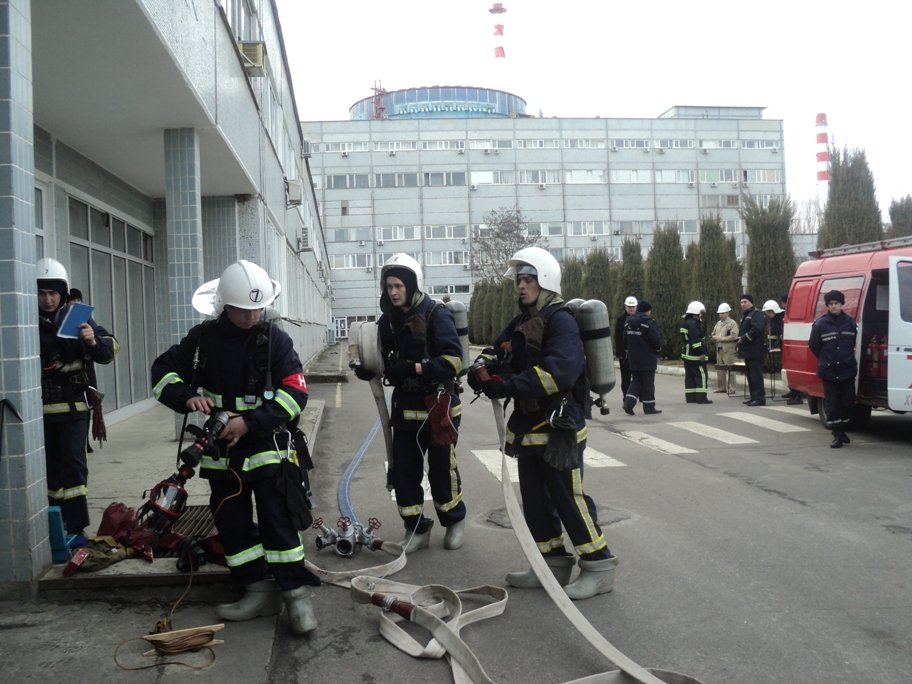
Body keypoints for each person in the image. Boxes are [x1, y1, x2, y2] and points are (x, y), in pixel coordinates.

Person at [151, 260, 319, 635]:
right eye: (244, 309)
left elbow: (296, 392)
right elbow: (161, 374)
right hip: (221, 456)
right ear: (225, 304)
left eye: (258, 308)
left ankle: (296, 596)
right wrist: (188, 396)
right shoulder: (202, 340)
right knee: (232, 523)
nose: (252, 315)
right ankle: (256, 591)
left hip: (268, 448)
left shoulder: (275, 340)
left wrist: (251, 421)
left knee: (279, 522)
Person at [471, 247, 616, 600]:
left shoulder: (560, 320)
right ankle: (551, 563)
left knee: (568, 497)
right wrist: (482, 369)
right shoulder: (522, 320)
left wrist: (506, 385)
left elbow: (559, 372)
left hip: (558, 426)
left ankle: (599, 565)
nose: (521, 286)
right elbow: (497, 349)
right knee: (535, 500)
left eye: (528, 279)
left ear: (546, 281)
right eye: (519, 280)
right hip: (529, 424)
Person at [353, 253, 466, 553]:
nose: (393, 291)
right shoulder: (388, 321)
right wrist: (368, 368)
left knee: (442, 473)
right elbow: (378, 356)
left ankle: (454, 521)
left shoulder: (435, 314)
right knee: (404, 472)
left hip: (438, 407)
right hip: (405, 409)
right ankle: (416, 529)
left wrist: (417, 368)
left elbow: (454, 361)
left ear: (412, 285)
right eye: (389, 286)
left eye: (398, 285)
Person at [37, 258, 117, 540]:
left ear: (62, 293)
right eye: (42, 293)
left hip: (74, 408)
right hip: (39, 412)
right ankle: (54, 527)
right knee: (49, 470)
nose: (47, 299)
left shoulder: (77, 317)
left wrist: (92, 339)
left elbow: (109, 351)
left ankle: (76, 528)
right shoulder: (24, 320)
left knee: (73, 464)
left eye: (53, 293)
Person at [808, 290, 858, 448]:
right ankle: (837, 435)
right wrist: (827, 360)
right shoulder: (821, 324)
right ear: (827, 306)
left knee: (848, 402)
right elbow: (814, 346)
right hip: (829, 371)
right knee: (833, 404)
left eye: (836, 303)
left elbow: (852, 343)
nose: (833, 306)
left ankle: (842, 430)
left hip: (847, 370)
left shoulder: (850, 322)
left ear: (842, 304)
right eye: (830, 304)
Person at [623, 300, 662, 415]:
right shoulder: (648, 322)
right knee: (648, 383)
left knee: (636, 381)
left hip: (633, 358)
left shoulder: (628, 322)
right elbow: (655, 340)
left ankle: (628, 403)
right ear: (648, 311)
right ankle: (649, 407)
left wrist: (628, 351)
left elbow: (624, 338)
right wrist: (658, 350)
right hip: (647, 358)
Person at [736, 294, 766, 406]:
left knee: (756, 375)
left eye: (745, 302)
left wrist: (743, 338)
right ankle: (753, 397)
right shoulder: (746, 315)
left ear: (751, 302)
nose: (742, 304)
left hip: (755, 351)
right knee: (750, 375)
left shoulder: (756, 314)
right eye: (741, 302)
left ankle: (759, 398)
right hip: (748, 351)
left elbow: (757, 330)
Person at [680, 301, 711, 404]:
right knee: (701, 375)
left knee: (690, 376)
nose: (702, 316)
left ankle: (691, 397)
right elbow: (696, 341)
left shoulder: (685, 322)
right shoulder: (694, 324)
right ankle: (701, 398)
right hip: (695, 356)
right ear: (696, 313)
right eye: (701, 313)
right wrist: (701, 353)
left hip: (687, 355)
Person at [711, 303, 739, 395]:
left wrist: (721, 339)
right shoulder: (718, 323)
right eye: (720, 313)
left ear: (728, 313)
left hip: (728, 350)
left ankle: (732, 388)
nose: (721, 315)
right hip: (719, 349)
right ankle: (721, 387)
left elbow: (734, 336)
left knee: (730, 369)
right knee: (720, 369)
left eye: (723, 313)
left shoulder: (732, 323)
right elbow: (714, 333)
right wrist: (713, 337)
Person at [614, 296, 638, 399]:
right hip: (625, 354)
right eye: (629, 307)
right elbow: (618, 338)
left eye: (633, 307)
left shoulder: (640, 318)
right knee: (626, 377)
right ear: (625, 307)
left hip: (638, 353)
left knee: (638, 376)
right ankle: (626, 397)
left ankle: (640, 395)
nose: (631, 309)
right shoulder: (621, 320)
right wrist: (620, 353)